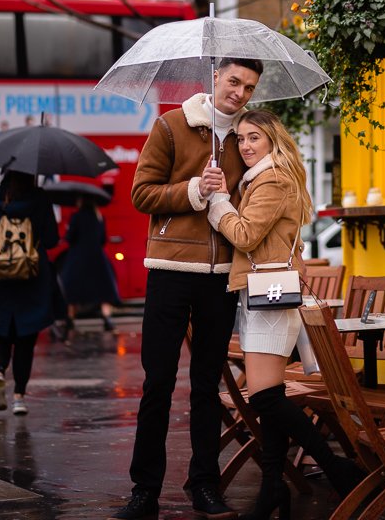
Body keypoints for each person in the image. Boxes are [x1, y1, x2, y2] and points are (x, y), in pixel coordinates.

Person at [111, 57, 263, 520]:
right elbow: (142, 194)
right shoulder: (172, 126)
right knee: (157, 382)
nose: (239, 92)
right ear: (216, 77)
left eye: (249, 87)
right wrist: (194, 189)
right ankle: (144, 491)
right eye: (234, 81)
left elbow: (256, 196)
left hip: (221, 280)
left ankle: (204, 485)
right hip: (171, 269)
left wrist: (232, 198)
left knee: (206, 387)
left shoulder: (246, 138)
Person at [207, 110, 365, 520]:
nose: (244, 145)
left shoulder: (273, 179)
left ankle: (336, 467)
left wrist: (219, 204)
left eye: (253, 137)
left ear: (273, 139)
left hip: (271, 299)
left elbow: (244, 234)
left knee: (263, 397)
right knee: (271, 396)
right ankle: (273, 486)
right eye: (240, 138)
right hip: (265, 295)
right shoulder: (259, 179)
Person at [0, 170, 59, 415]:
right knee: (26, 336)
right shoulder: (39, 199)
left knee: (0, 330)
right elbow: (51, 240)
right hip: (32, 277)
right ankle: (19, 397)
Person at [58, 195, 120, 332]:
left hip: (78, 257)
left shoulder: (76, 216)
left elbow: (70, 238)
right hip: (97, 257)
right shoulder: (99, 217)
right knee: (103, 290)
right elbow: (103, 240)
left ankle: (70, 320)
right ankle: (107, 319)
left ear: (82, 201)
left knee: (72, 290)